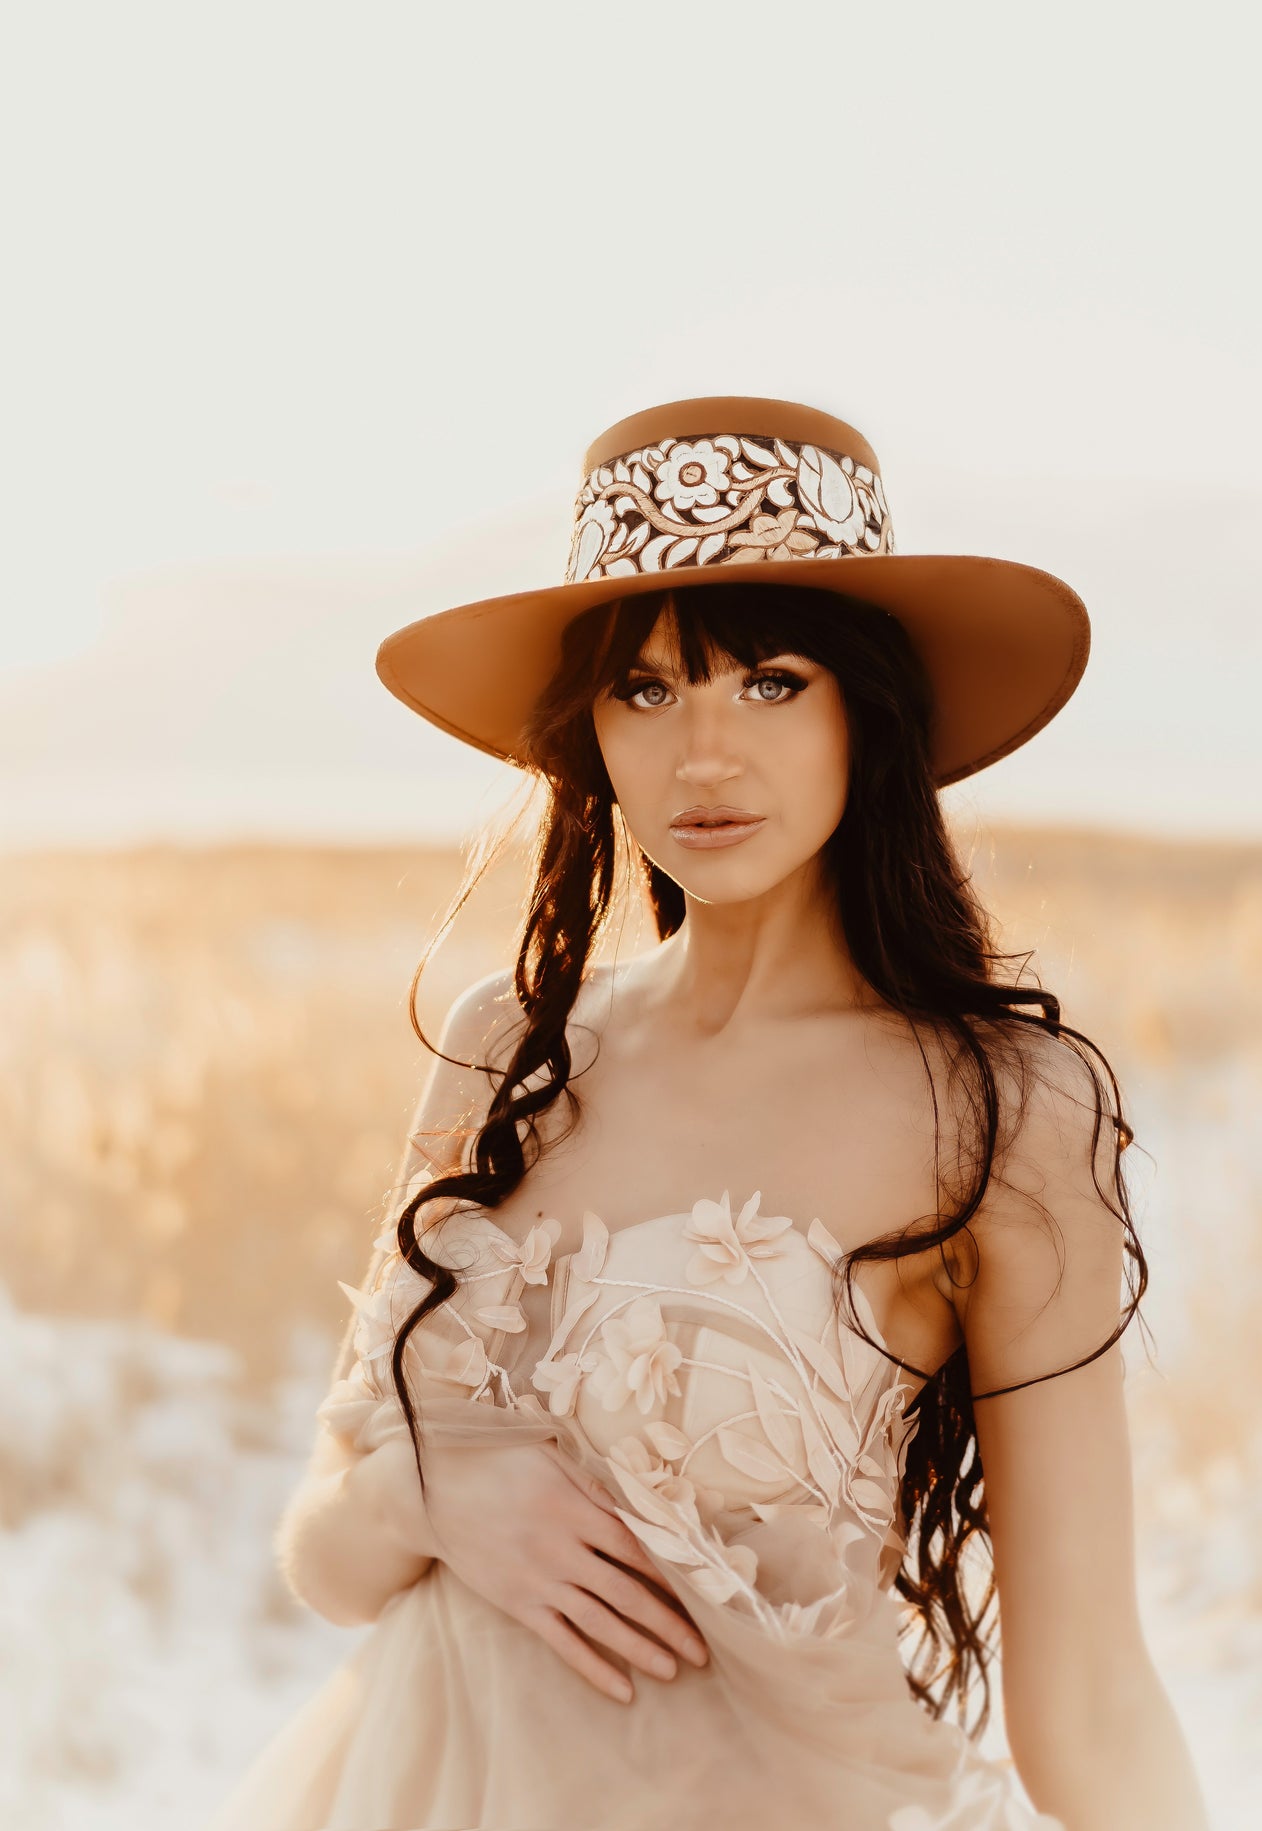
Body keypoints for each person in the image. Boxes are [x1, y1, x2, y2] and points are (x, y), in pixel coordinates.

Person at [203, 396, 1210, 1831]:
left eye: (771, 682)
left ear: (869, 705)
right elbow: (326, 1554)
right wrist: (431, 1502)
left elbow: (1091, 1699)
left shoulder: (999, 1109)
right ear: (591, 732)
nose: (702, 757)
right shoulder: (511, 1046)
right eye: (649, 691)